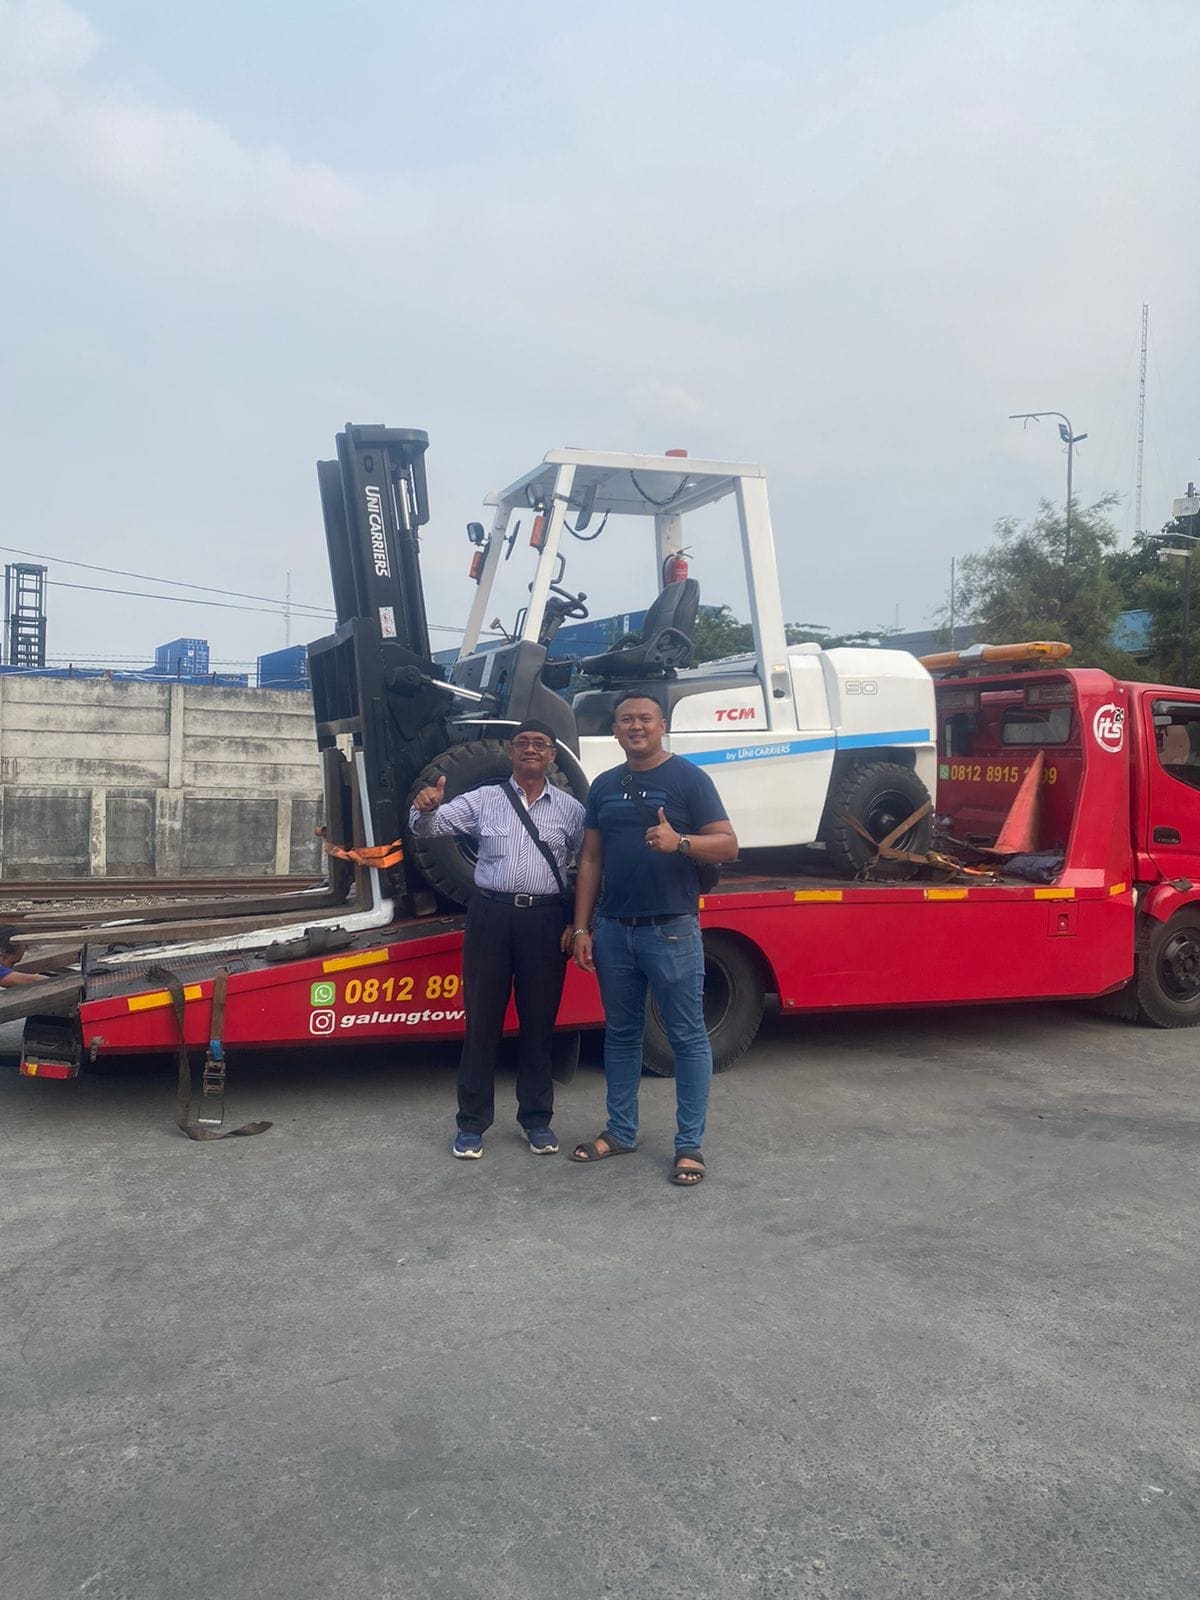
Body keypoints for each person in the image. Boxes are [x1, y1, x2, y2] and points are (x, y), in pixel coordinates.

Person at [569, 693, 738, 1185]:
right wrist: (582, 927)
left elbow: (728, 845)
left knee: (687, 1037)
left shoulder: (689, 778)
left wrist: (680, 842)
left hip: (672, 929)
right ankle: (621, 1131)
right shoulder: (604, 785)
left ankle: (689, 1146)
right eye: (626, 720)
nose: (636, 726)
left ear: (662, 725)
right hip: (614, 931)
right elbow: (591, 859)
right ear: (615, 730)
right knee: (622, 1036)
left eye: (645, 718)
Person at [409, 722, 585, 1159]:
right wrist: (425, 807)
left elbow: (589, 865)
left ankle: (537, 1120)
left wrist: (578, 923)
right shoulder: (484, 799)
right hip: (491, 915)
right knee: (481, 1023)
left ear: (552, 756)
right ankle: (471, 1125)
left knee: (539, 1024)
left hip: (545, 920)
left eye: (541, 744)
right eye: (523, 743)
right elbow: (427, 829)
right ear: (510, 751)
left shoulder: (571, 810)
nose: (531, 750)